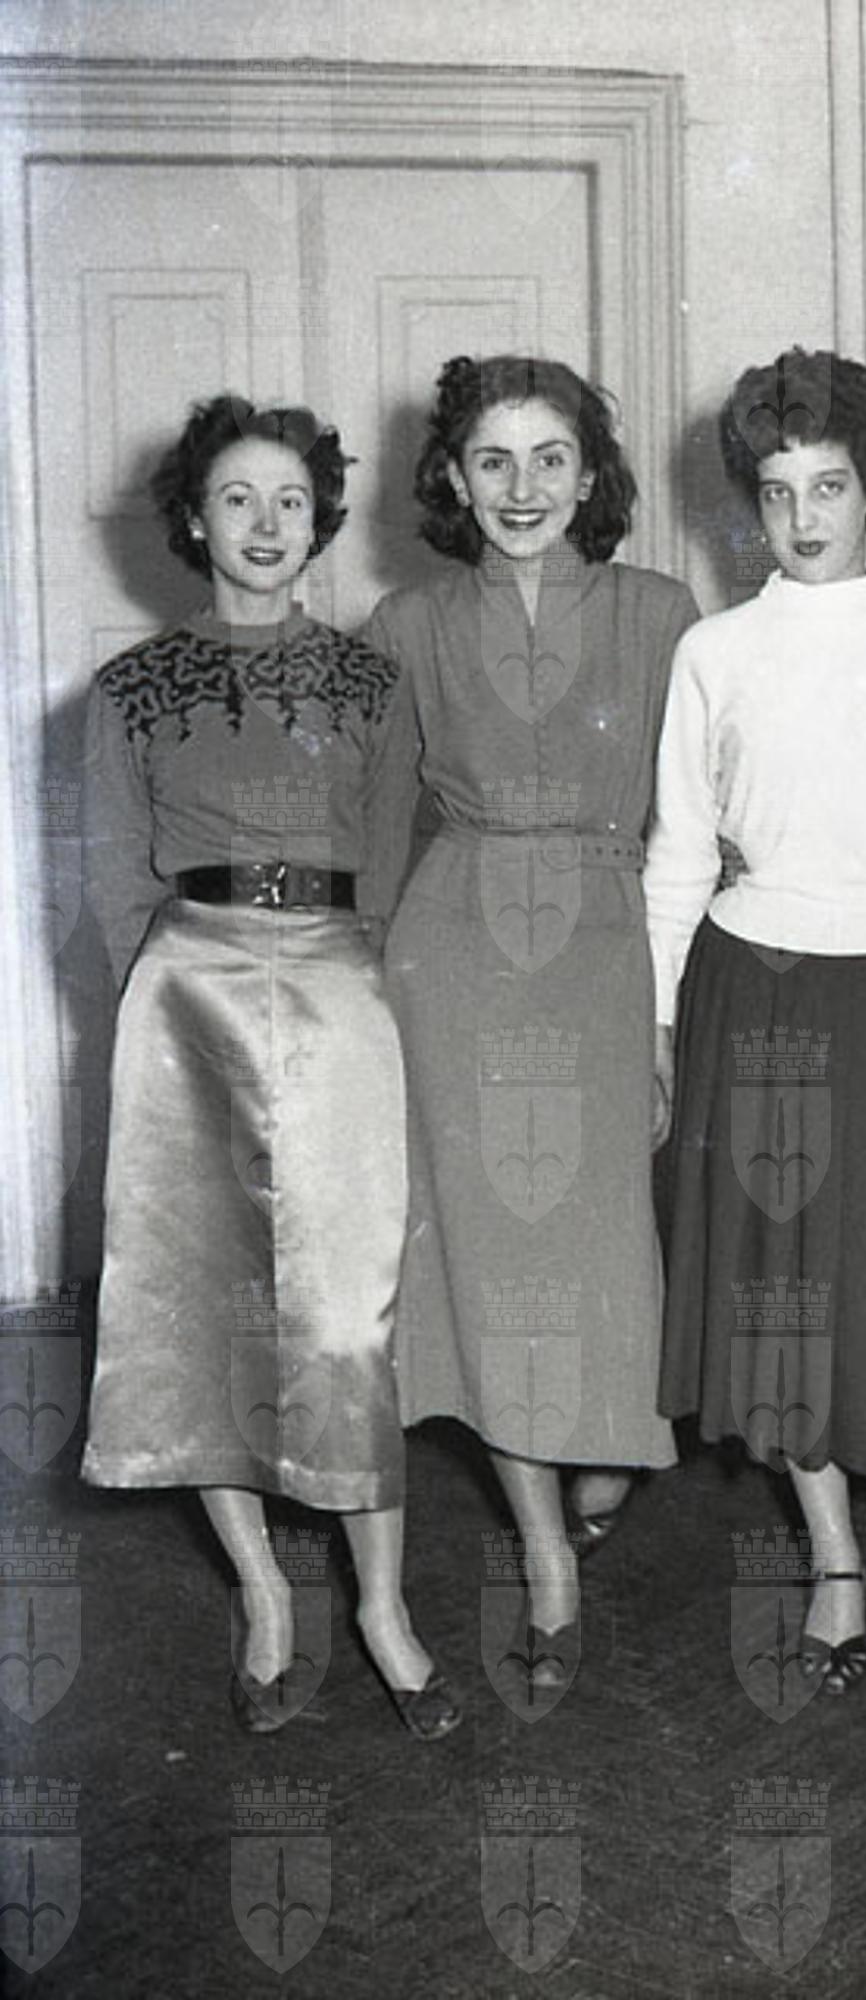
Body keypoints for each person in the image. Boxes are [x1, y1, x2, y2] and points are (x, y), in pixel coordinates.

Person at [81, 395, 460, 1741]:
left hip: (338, 989)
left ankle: (385, 1612)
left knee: (352, 1315)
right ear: (193, 520)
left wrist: (347, 989)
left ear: (319, 522)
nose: (264, 522)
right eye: (235, 498)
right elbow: (115, 883)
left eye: (289, 500)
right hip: (186, 998)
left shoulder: (371, 682)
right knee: (204, 1308)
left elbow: (389, 864)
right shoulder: (127, 690)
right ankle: (265, 1598)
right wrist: (165, 1005)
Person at [646, 349, 866, 1694]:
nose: (802, 517)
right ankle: (836, 1557)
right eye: (777, 491)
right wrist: (661, 1028)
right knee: (781, 1291)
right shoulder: (713, 652)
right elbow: (679, 852)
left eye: (829, 487)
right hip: (751, 986)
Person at [362, 355, 698, 1688]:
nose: (521, 488)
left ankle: (604, 1462)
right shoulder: (406, 623)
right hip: (451, 955)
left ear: (590, 473)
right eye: (492, 460)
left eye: (549, 458)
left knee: (606, 1241)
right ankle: (547, 1555)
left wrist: (668, 1015)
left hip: (610, 949)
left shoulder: (663, 614)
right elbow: (379, 831)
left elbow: (695, 829)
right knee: (490, 1263)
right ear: (452, 477)